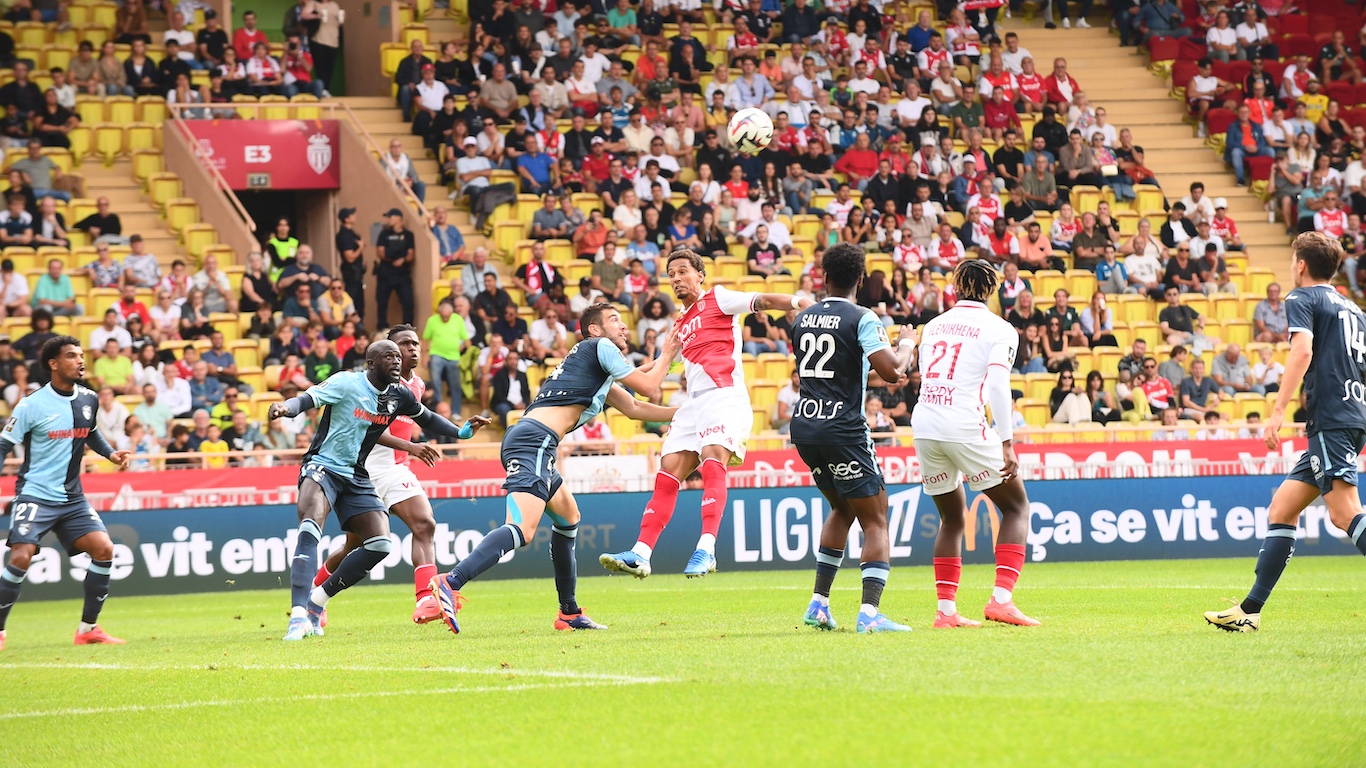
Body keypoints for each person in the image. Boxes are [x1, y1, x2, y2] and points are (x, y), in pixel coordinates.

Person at [431, 304, 680, 634]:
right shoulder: (600, 347)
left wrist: (683, 413)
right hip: (534, 440)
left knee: (568, 518)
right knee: (522, 529)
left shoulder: (594, 368)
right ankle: (450, 582)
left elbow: (635, 406)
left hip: (535, 440)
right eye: (614, 320)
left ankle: (569, 613)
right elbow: (648, 386)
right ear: (594, 330)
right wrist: (668, 353)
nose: (623, 326)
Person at [601, 249, 815, 579]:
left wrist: (800, 302)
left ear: (700, 275)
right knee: (668, 472)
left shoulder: (719, 298)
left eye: (682, 271)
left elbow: (763, 300)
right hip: (693, 405)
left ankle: (707, 548)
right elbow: (661, 365)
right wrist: (613, 377)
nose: (676, 278)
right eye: (671, 274)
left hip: (723, 395)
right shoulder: (680, 324)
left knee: (713, 459)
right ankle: (641, 553)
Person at [268, 339, 485, 641]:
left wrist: (460, 432)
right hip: (323, 466)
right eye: (389, 356)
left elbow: (427, 417)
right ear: (371, 363)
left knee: (380, 544)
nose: (396, 361)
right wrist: (285, 408)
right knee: (310, 527)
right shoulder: (346, 383)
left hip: (356, 475)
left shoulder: (400, 395)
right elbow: (307, 399)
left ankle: (316, 602)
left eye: (398, 356)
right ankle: (298, 617)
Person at [1206, 233, 1366, 632]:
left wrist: (1277, 411)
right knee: (1282, 508)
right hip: (1349, 413)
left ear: (1301, 265)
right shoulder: (1353, 309)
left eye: (1293, 259)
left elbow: (1302, 351)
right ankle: (1249, 611)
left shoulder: (1302, 298)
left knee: (1343, 512)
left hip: (1332, 417)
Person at [789, 243, 916, 633]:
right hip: (843, 428)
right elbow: (893, 370)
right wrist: (907, 344)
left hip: (806, 426)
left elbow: (834, 371)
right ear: (861, 279)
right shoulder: (863, 317)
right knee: (875, 519)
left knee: (842, 509)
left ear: (824, 276)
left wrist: (874, 375)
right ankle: (870, 613)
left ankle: (819, 605)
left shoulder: (803, 317)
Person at [913, 260, 1039, 628]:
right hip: (964, 422)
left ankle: (946, 611)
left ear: (956, 287)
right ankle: (1001, 600)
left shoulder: (933, 325)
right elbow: (998, 384)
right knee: (1017, 507)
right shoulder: (1000, 328)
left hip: (925, 422)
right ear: (992, 289)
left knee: (952, 517)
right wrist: (1007, 440)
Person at [312, 325, 452, 625]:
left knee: (424, 524)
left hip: (396, 469)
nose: (412, 349)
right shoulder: (370, 384)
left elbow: (424, 418)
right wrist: (410, 446)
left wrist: (460, 431)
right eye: (404, 344)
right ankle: (316, 592)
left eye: (415, 344)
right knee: (353, 546)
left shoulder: (417, 385)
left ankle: (426, 599)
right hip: (363, 470)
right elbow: (367, 427)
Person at [0, 336, 132, 652]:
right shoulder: (31, 404)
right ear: (54, 364)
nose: (80, 361)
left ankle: (88, 630)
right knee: (21, 556)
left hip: (72, 499)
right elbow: (3, 444)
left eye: (82, 355)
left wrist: (111, 454)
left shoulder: (89, 399)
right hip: (35, 495)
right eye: (72, 356)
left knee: (104, 549)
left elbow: (91, 432)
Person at [374, 208, 416, 327]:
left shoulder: (408, 235)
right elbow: (380, 252)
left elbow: (411, 254)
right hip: (386, 273)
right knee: (382, 302)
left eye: (390, 217)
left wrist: (402, 260)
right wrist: (392, 259)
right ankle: (382, 328)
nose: (388, 219)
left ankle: (407, 328)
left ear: (399, 218)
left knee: (408, 302)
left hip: (402, 273)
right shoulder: (384, 234)